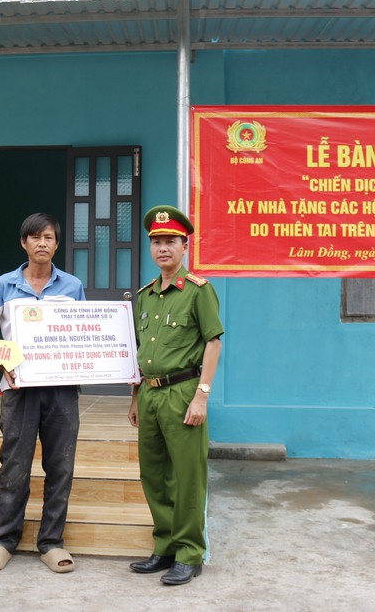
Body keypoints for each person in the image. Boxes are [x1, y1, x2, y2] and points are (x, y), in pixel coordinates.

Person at [0, 213, 86, 573]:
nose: (42, 243)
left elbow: (88, 329)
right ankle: (3, 539)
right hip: (19, 389)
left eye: (49, 237)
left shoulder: (72, 286)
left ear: (56, 244)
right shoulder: (3, 285)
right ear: (24, 243)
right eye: (35, 237)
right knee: (15, 466)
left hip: (62, 391)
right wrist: (0, 361)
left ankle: (51, 542)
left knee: (60, 467)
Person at [127, 205, 224, 586]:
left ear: (185, 245)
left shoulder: (199, 291)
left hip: (183, 391)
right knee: (153, 474)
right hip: (149, 395)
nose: (163, 248)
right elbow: (137, 347)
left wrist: (201, 396)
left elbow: (213, 343)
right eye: (156, 242)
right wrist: (135, 397)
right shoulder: (145, 296)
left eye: (170, 241)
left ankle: (189, 553)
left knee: (187, 475)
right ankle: (165, 545)